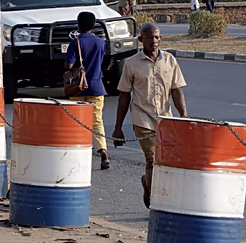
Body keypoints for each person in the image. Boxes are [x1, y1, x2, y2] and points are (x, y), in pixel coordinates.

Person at [112, 23, 188, 209]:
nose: (153, 41)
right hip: (142, 117)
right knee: (152, 158)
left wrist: (184, 115)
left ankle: (148, 184)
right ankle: (156, 201)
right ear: (141, 40)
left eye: (156, 37)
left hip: (165, 119)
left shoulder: (170, 61)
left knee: (166, 159)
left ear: (160, 39)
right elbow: (124, 96)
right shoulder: (131, 64)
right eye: (149, 38)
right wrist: (118, 127)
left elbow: (176, 90)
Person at [65, 12, 109, 170]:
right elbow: (101, 61)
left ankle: (80, 154)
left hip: (77, 89)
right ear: (93, 25)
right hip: (96, 87)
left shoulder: (75, 42)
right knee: (97, 121)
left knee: (78, 121)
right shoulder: (101, 42)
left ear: (79, 25)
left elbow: (69, 66)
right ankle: (102, 150)